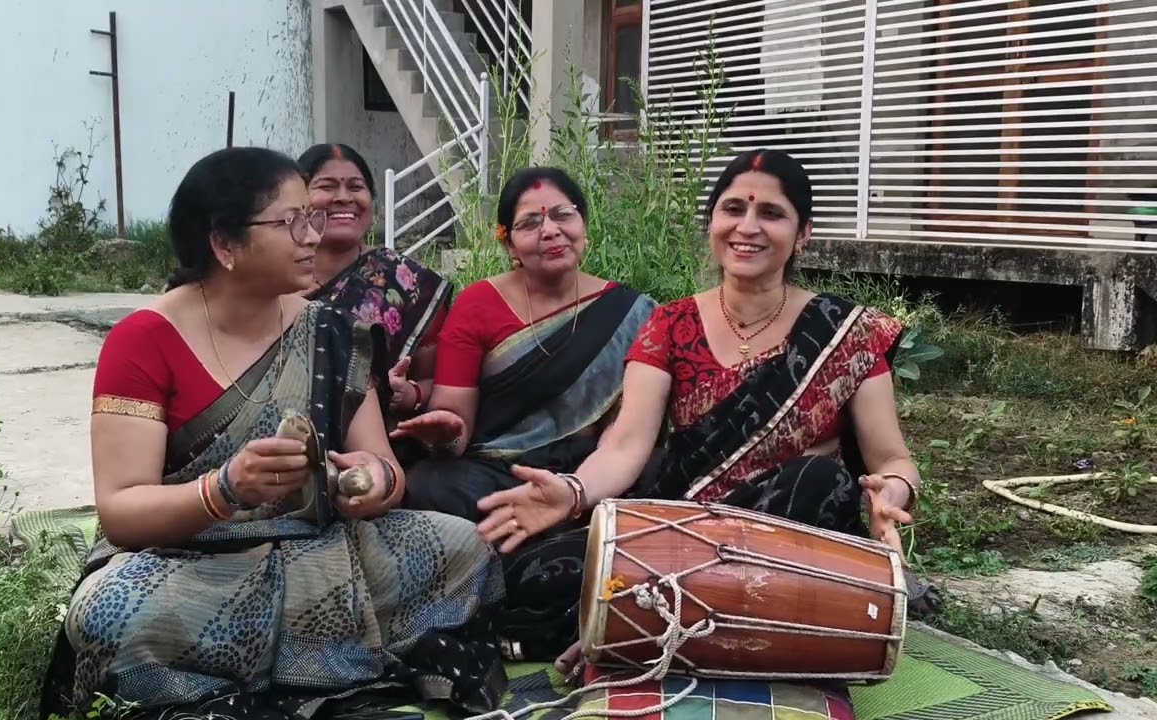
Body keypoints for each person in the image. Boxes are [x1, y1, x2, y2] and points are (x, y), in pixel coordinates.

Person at [39, 147, 506, 720]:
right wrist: (225, 489)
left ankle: (263, 659)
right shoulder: (143, 340)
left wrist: (362, 483)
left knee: (464, 545)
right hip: (194, 563)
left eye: (310, 217)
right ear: (225, 245)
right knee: (108, 612)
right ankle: (323, 650)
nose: (313, 235)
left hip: (326, 550)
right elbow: (122, 510)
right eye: (292, 221)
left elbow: (387, 471)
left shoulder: (332, 331)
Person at [473, 149, 932, 673]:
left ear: (802, 233)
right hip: (678, 529)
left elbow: (894, 459)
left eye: (771, 214)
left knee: (822, 480)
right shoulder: (669, 324)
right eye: (732, 209)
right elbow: (626, 446)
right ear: (712, 222)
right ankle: (670, 618)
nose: (747, 227)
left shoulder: (846, 335)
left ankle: (635, 623)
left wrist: (891, 491)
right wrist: (573, 492)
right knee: (531, 576)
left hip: (788, 537)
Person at [390, 166, 659, 660]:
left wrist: (585, 484)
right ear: (509, 242)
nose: (551, 230)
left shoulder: (633, 313)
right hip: (495, 467)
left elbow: (626, 429)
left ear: (584, 227)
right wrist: (445, 431)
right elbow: (455, 424)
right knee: (428, 486)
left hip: (588, 467)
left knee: (643, 499)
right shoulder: (478, 305)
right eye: (530, 223)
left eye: (563, 215)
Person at [297, 143, 452, 420]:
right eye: (327, 186)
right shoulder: (270, 279)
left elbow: (441, 381)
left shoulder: (404, 279)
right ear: (296, 201)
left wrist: (412, 393)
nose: (344, 197)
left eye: (356, 187)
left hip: (379, 447)